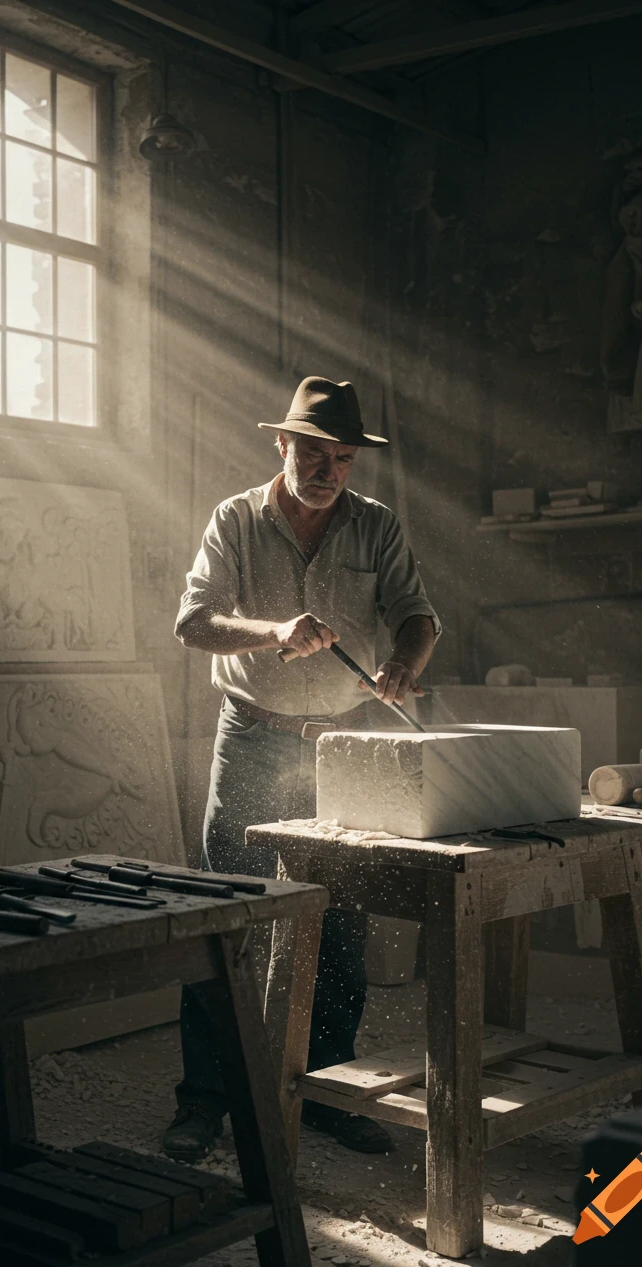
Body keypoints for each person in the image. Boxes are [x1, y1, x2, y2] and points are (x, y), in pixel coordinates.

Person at [162, 376, 440, 1162]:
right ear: (280, 444)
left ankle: (325, 1092)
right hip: (253, 734)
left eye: (343, 458)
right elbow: (193, 622)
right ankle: (204, 1102)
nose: (328, 471)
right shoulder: (234, 520)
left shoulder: (375, 526)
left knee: (340, 918)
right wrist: (272, 630)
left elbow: (416, 613)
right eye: (313, 453)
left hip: (342, 746)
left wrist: (403, 665)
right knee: (228, 919)